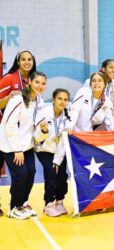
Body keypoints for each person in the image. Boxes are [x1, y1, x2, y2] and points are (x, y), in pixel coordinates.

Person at [0, 71, 47, 219]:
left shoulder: (39, 101)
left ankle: (22, 203)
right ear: (29, 83)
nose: (40, 86)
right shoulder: (18, 100)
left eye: (43, 83)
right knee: (20, 175)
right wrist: (17, 150)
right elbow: (9, 125)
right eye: (37, 82)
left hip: (27, 145)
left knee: (31, 172)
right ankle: (14, 207)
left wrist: (44, 131)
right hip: (10, 144)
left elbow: (37, 126)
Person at [34, 88, 71, 217]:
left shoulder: (67, 116)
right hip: (44, 149)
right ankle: (48, 204)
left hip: (59, 151)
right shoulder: (43, 113)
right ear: (54, 99)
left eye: (65, 99)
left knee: (62, 176)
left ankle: (59, 202)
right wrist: (43, 131)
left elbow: (63, 142)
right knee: (51, 174)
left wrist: (57, 160)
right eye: (60, 98)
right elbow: (37, 138)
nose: (62, 102)